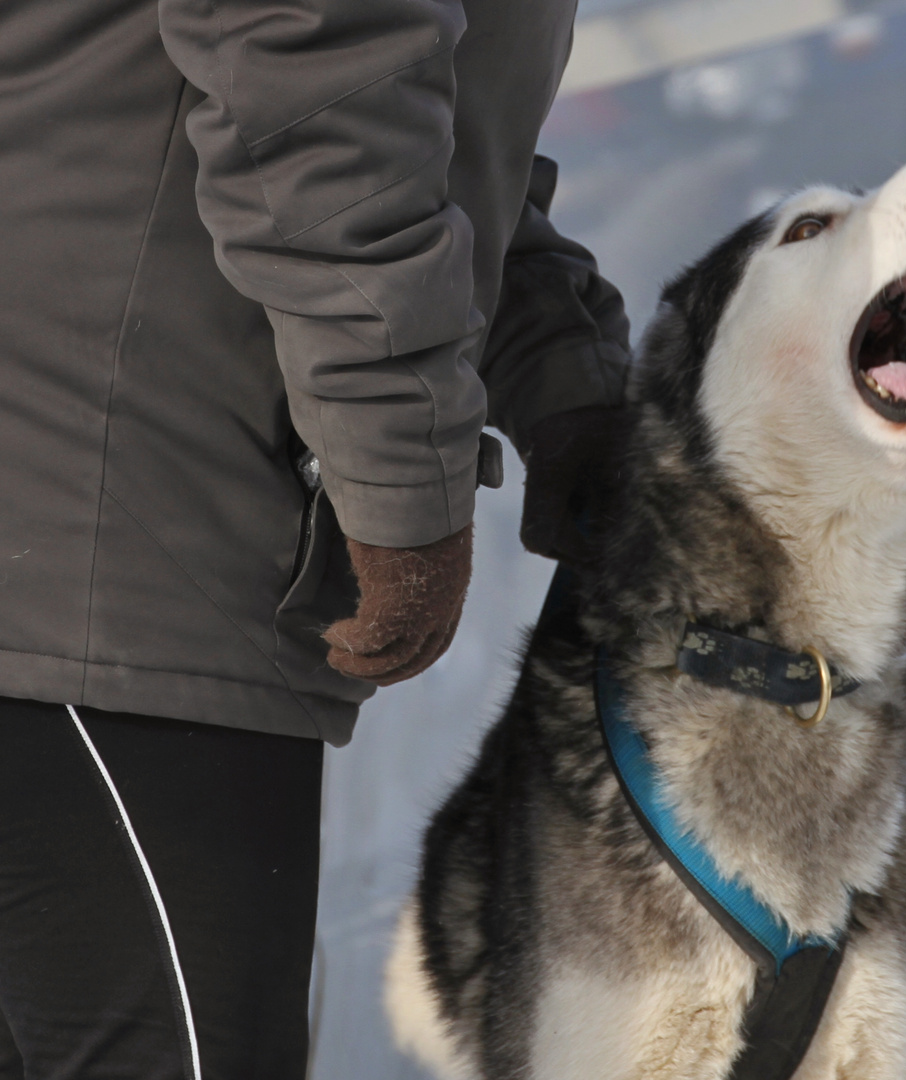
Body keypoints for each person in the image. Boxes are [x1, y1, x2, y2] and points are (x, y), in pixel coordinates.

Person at [0, 0, 628, 1073]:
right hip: (96, 548)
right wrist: (401, 486)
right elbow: (314, 77)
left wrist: (561, 368)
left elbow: (399, 119)